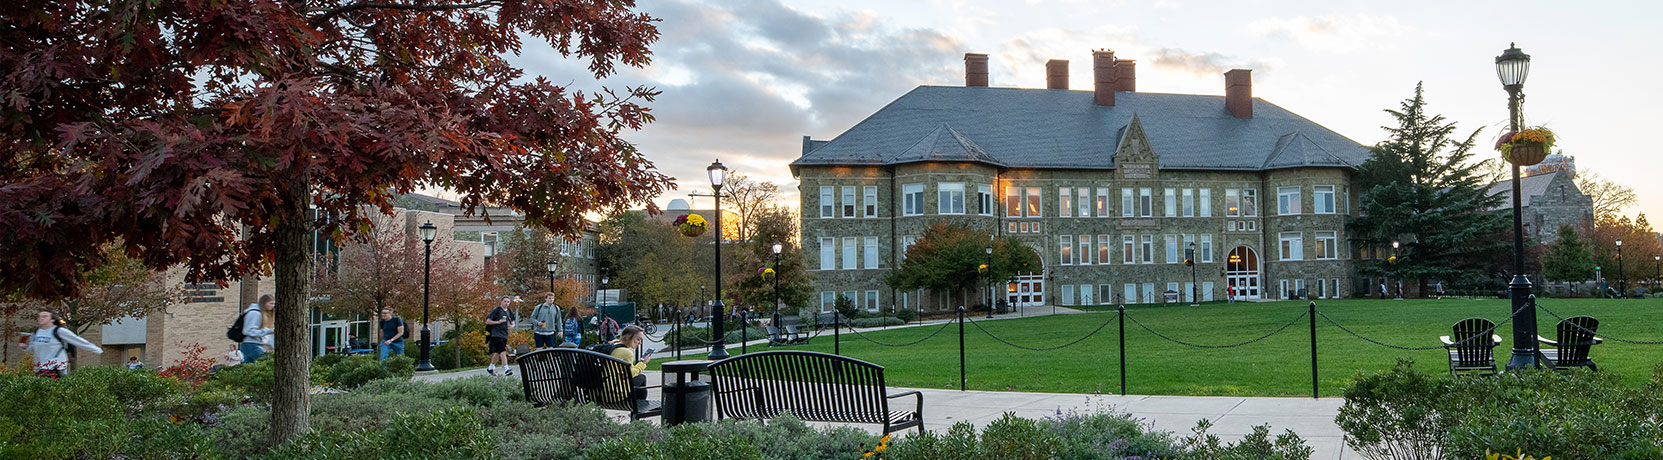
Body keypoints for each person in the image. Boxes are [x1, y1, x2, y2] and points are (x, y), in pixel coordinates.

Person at [20, 310, 103, 378]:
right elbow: (32, 348)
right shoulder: (37, 332)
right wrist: (24, 347)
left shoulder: (59, 331)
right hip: (40, 369)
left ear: (52, 319)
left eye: (45, 316)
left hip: (55, 368)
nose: (41, 318)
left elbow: (77, 340)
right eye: (40, 316)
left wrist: (96, 349)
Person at [608, 325, 651, 402]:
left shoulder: (611, 347)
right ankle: (638, 410)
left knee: (639, 378)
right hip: (615, 393)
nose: (640, 343)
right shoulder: (626, 352)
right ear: (628, 337)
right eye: (638, 339)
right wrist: (643, 363)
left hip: (601, 391)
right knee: (641, 378)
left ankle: (638, 409)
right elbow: (631, 374)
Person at [238, 295, 275, 364]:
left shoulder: (260, 313)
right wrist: (268, 331)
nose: (273, 306)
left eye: (274, 304)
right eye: (271, 303)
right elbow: (248, 331)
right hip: (250, 344)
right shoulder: (254, 313)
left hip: (252, 344)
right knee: (268, 362)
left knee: (249, 367)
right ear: (264, 303)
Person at [485, 296, 515, 376]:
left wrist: (512, 325)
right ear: (501, 302)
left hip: (504, 334)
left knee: (498, 352)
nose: (506, 303)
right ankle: (506, 369)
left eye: (508, 302)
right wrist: (498, 322)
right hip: (496, 334)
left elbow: (512, 321)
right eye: (505, 301)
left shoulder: (509, 311)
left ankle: (490, 367)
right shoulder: (497, 310)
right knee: (502, 351)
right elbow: (488, 321)